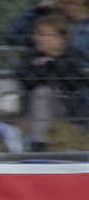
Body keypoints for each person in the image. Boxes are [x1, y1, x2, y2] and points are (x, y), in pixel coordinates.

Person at [13, 16, 89, 151]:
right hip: (37, 113)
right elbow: (26, 80)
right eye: (35, 34)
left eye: (42, 34)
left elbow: (70, 80)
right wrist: (51, 68)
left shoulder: (74, 54)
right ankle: (39, 146)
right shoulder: (30, 56)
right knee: (42, 92)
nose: (36, 38)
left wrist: (49, 63)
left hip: (72, 109)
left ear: (60, 38)